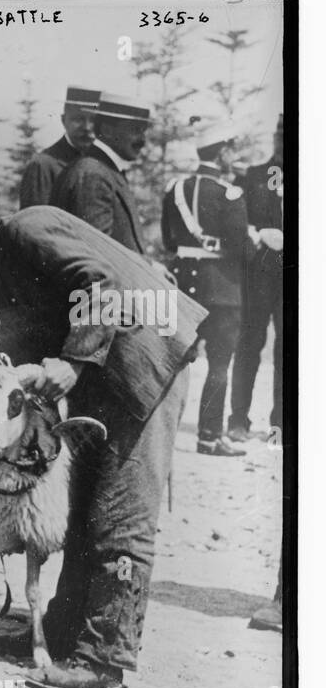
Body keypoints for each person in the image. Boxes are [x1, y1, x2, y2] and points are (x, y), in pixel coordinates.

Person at [0, 164, 208, 688]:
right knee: (83, 504)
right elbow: (21, 337)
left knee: (121, 511)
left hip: (146, 363)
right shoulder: (0, 263)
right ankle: (61, 634)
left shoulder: (29, 228)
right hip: (106, 374)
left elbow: (100, 282)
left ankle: (104, 658)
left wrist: (74, 362)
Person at [162, 124, 255, 457]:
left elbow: (169, 242)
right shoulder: (230, 194)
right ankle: (208, 437)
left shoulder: (175, 190)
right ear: (222, 152)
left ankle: (157, 435)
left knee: (169, 361)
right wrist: (254, 240)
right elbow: (241, 250)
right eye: (231, 149)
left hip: (181, 285)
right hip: (221, 291)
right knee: (218, 364)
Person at [230, 113, 285, 443]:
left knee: (289, 350)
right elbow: (235, 225)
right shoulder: (252, 177)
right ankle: (238, 419)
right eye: (280, 134)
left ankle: (281, 425)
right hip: (258, 276)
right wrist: (259, 233)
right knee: (249, 345)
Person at [52, 91, 152, 253]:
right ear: (107, 130)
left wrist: (150, 266)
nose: (142, 140)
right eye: (135, 130)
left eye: (143, 130)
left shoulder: (104, 170)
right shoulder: (93, 174)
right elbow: (97, 256)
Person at [18, 86, 99, 208]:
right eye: (78, 119)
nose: (87, 127)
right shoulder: (42, 166)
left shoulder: (101, 165)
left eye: (93, 120)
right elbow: (33, 222)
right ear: (63, 120)